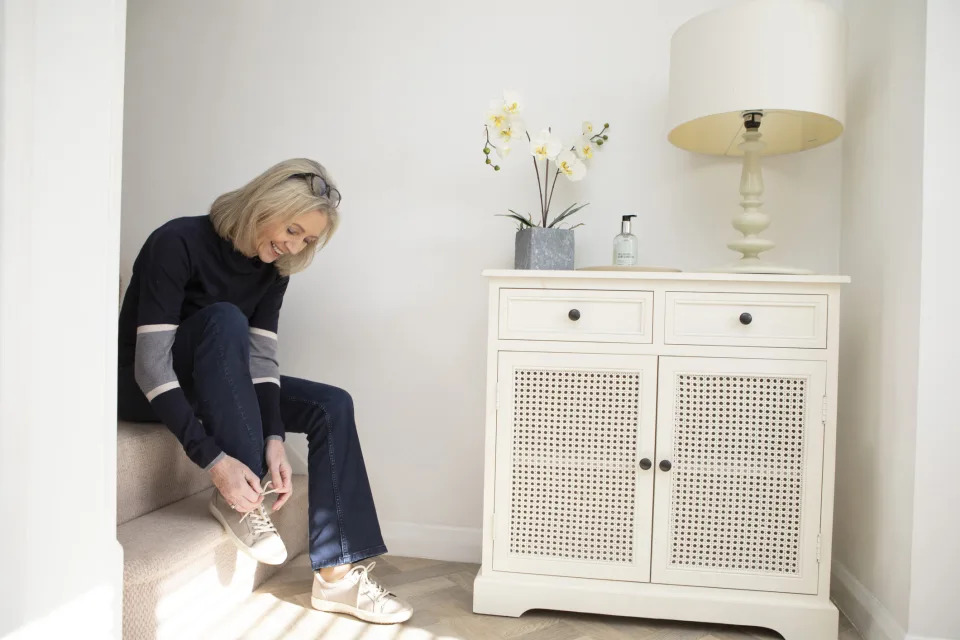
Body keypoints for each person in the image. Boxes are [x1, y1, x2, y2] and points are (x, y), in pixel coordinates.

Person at [117, 158, 412, 625]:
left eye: (307, 240)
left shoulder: (275, 269)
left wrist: (274, 434)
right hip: (145, 388)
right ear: (264, 203)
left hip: (218, 384)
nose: (292, 245)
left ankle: (337, 577)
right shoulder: (176, 241)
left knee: (331, 404)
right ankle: (238, 499)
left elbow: (259, 361)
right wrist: (216, 462)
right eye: (292, 229)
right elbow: (150, 366)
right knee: (224, 318)